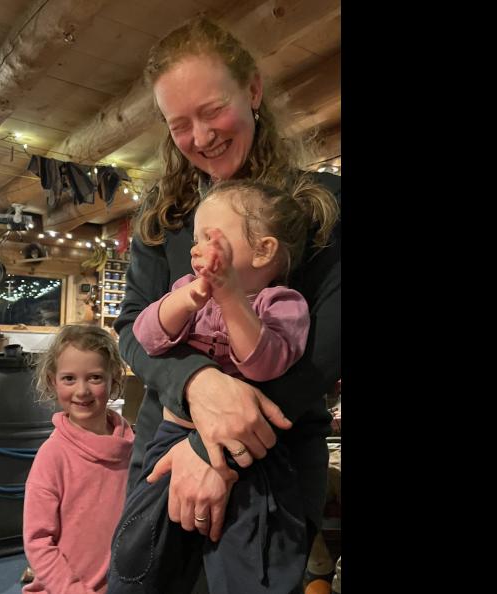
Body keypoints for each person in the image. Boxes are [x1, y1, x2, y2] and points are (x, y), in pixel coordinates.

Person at [107, 16, 341, 594]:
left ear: (253, 90)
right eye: (179, 124)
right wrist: (197, 383)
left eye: (213, 111)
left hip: (275, 459)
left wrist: (209, 451)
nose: (201, 137)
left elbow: (324, 352)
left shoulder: (324, 206)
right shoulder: (162, 216)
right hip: (164, 448)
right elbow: (132, 328)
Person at [23, 325, 135, 594]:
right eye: (69, 379)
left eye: (95, 377)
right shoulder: (52, 456)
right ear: (53, 381)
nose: (82, 390)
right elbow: (38, 541)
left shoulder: (135, 449)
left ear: (113, 379)